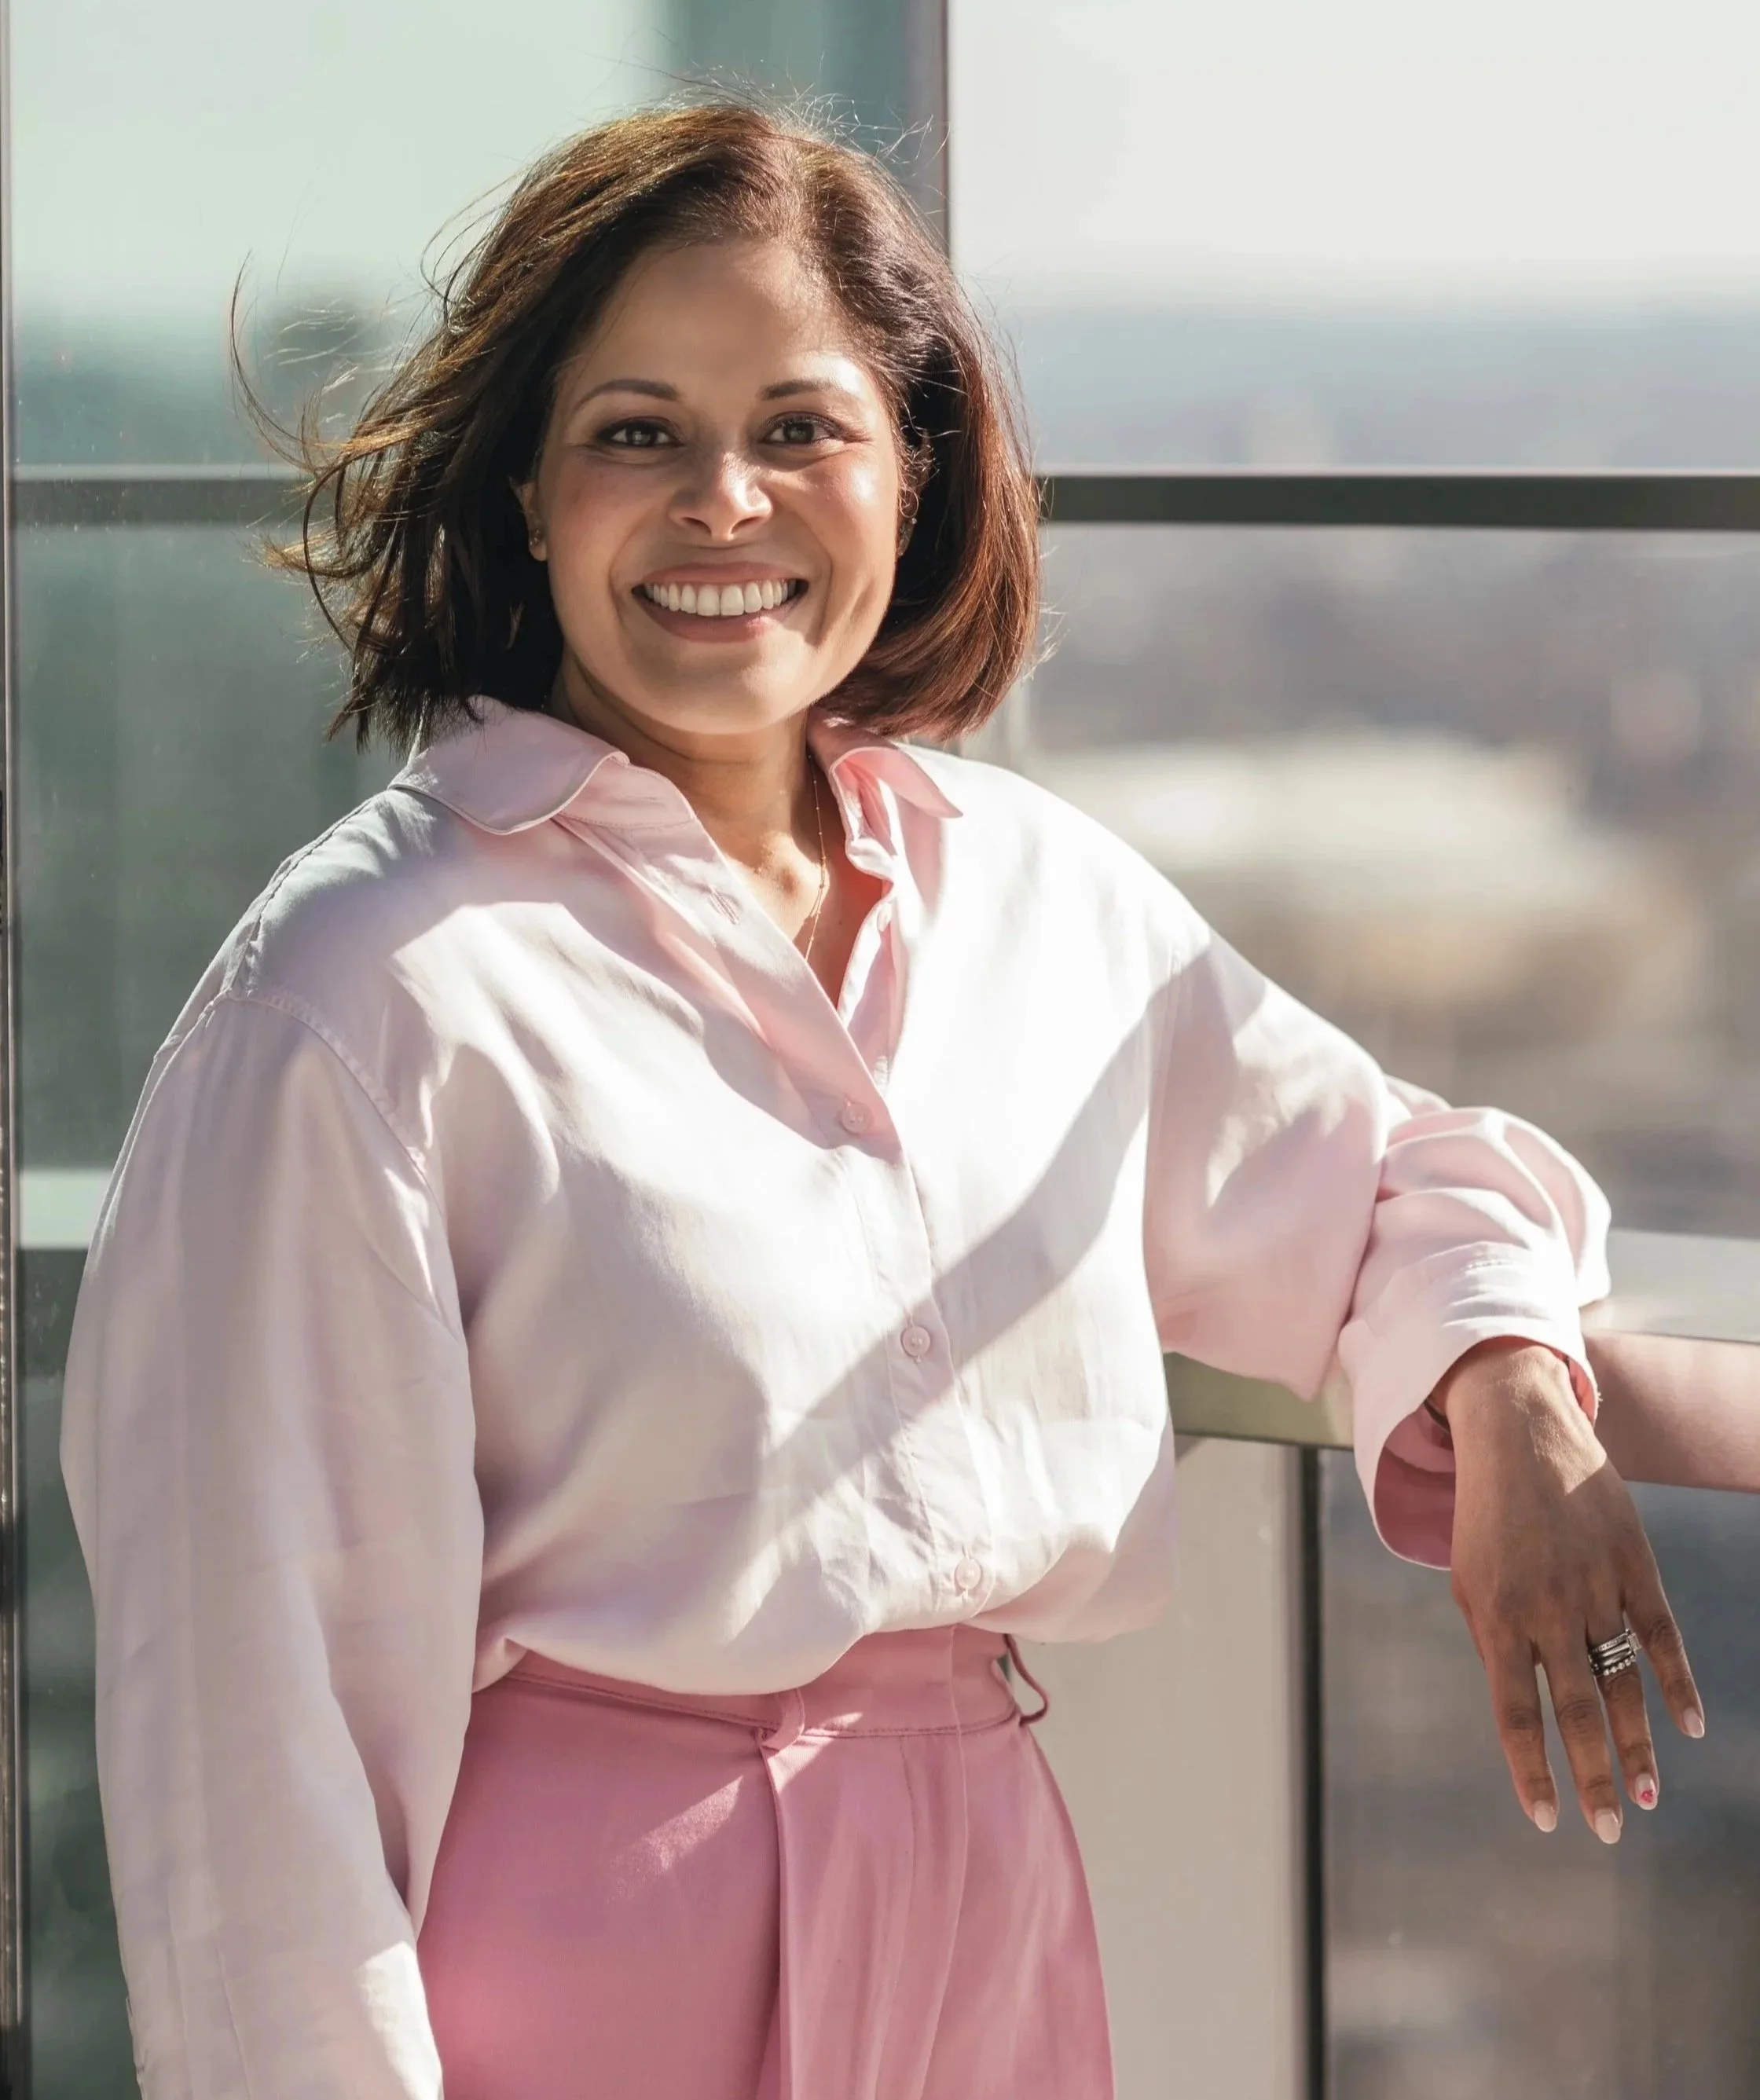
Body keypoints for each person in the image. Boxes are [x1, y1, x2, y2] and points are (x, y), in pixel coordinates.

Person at [60, 101, 1703, 2100]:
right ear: (526, 495)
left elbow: (1390, 1180)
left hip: (990, 1920)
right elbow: (250, 1757)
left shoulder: (1037, 902)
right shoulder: (355, 993)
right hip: (587, 1976)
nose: (723, 500)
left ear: (910, 477)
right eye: (637, 431)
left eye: (800, 427)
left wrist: (1514, 1385)